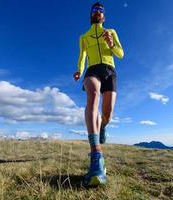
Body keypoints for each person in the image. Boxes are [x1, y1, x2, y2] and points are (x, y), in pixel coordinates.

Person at [73, 2, 124, 186]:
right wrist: (79, 70)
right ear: (91, 15)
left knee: (107, 114)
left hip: (110, 70)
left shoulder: (111, 31)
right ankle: (96, 154)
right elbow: (82, 57)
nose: (97, 13)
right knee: (93, 94)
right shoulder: (84, 37)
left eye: (100, 11)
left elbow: (121, 54)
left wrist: (111, 44)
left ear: (104, 16)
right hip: (92, 70)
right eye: (94, 10)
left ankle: (102, 127)